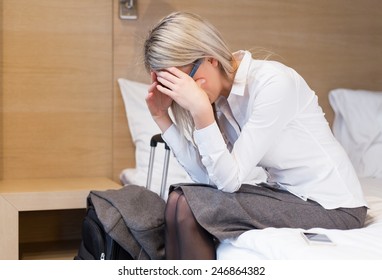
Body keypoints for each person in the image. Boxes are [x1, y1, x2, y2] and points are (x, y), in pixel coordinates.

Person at [143, 11, 368, 260]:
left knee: (187, 204)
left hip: (333, 206)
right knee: (178, 198)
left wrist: (201, 112)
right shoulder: (220, 103)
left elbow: (228, 182)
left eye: (186, 81)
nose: (185, 95)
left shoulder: (273, 84)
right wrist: (162, 117)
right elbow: (211, 180)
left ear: (210, 58)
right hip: (288, 195)